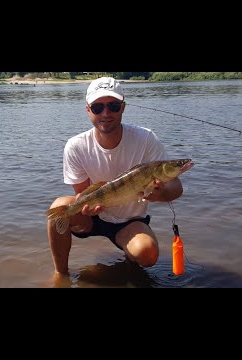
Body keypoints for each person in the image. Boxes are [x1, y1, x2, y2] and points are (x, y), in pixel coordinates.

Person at [47, 76, 184, 276]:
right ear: (88, 109)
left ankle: (131, 269)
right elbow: (82, 193)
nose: (106, 113)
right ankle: (60, 275)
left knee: (147, 254)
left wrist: (159, 193)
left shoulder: (146, 139)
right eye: (97, 108)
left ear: (123, 107)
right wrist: (86, 207)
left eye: (113, 106)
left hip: (130, 220)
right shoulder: (75, 146)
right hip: (92, 218)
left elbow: (177, 188)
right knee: (57, 211)